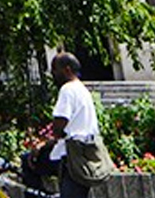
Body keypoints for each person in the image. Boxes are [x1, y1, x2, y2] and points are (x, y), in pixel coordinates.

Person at [23, 52, 100, 198]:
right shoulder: (83, 90)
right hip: (85, 154)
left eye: (54, 69)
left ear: (67, 69)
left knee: (28, 161)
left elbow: (59, 127)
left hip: (69, 156)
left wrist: (43, 145)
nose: (52, 74)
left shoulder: (67, 89)